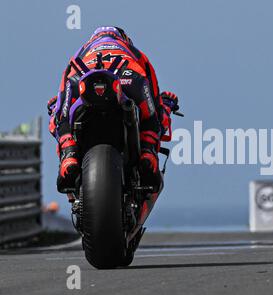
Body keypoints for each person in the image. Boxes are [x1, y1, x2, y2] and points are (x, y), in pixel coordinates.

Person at [47, 26, 179, 193]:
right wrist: (166, 103)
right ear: (124, 38)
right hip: (130, 79)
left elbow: (61, 97)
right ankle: (148, 154)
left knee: (59, 119)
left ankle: (69, 155)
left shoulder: (80, 53)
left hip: (81, 78)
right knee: (153, 118)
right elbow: (154, 97)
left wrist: (55, 108)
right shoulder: (134, 52)